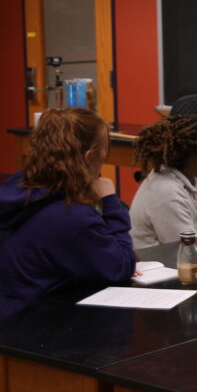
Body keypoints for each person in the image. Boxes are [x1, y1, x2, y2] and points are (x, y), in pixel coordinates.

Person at [0, 108, 136, 321]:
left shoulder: (19, 185)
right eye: (104, 152)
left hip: (12, 306)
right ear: (90, 157)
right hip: (31, 324)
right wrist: (110, 201)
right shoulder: (71, 214)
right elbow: (121, 267)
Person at [130, 115, 197, 249]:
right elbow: (187, 250)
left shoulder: (183, 180)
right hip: (159, 266)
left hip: (172, 260)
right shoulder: (167, 192)